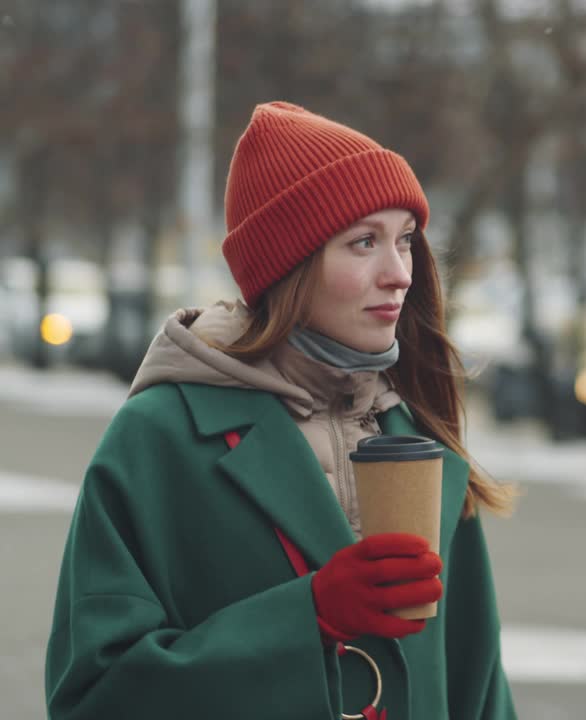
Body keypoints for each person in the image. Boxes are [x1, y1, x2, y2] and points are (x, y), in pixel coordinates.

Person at [46, 102, 518, 720]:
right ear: (288, 265)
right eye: (364, 242)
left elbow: (481, 696)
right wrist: (306, 618)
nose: (400, 273)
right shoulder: (158, 437)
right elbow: (94, 699)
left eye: (405, 239)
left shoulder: (423, 440)